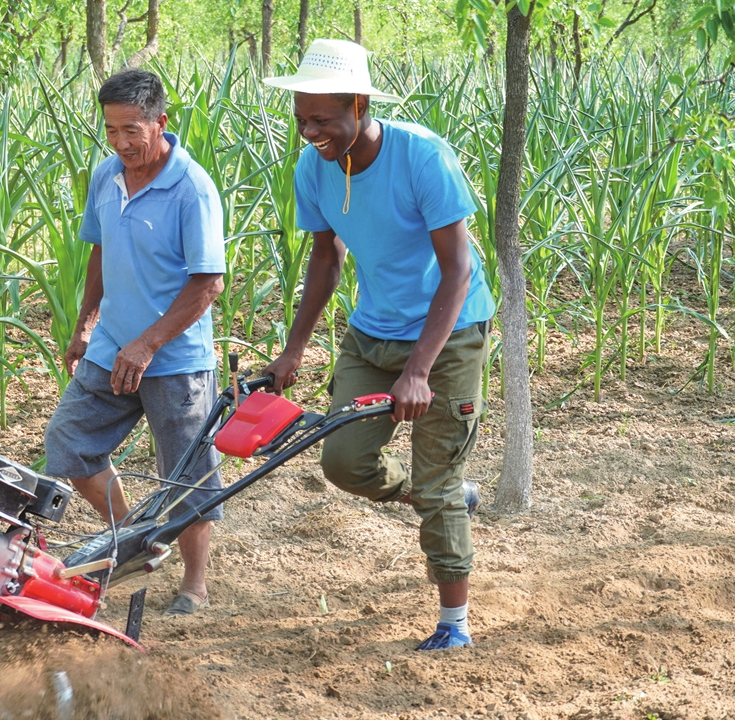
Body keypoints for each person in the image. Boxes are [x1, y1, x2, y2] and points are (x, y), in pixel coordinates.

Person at [262, 39, 495, 650]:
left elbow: (458, 271)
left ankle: (454, 625)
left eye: (324, 118)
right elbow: (324, 258)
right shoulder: (313, 167)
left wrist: (419, 371)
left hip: (447, 338)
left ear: (360, 104)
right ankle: (440, 492)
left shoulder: (422, 157)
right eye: (302, 118)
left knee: (438, 481)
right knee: (342, 462)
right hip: (371, 335)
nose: (310, 131)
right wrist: (293, 350)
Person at [43, 68, 226, 616]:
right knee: (69, 443)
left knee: (188, 474)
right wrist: (84, 322)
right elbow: (99, 249)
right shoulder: (107, 176)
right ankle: (135, 539)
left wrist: (148, 344)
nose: (121, 143)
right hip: (112, 347)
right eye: (111, 130)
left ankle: (195, 584)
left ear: (159, 122)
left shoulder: (192, 188)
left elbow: (208, 283)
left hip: (175, 359)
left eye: (132, 130)